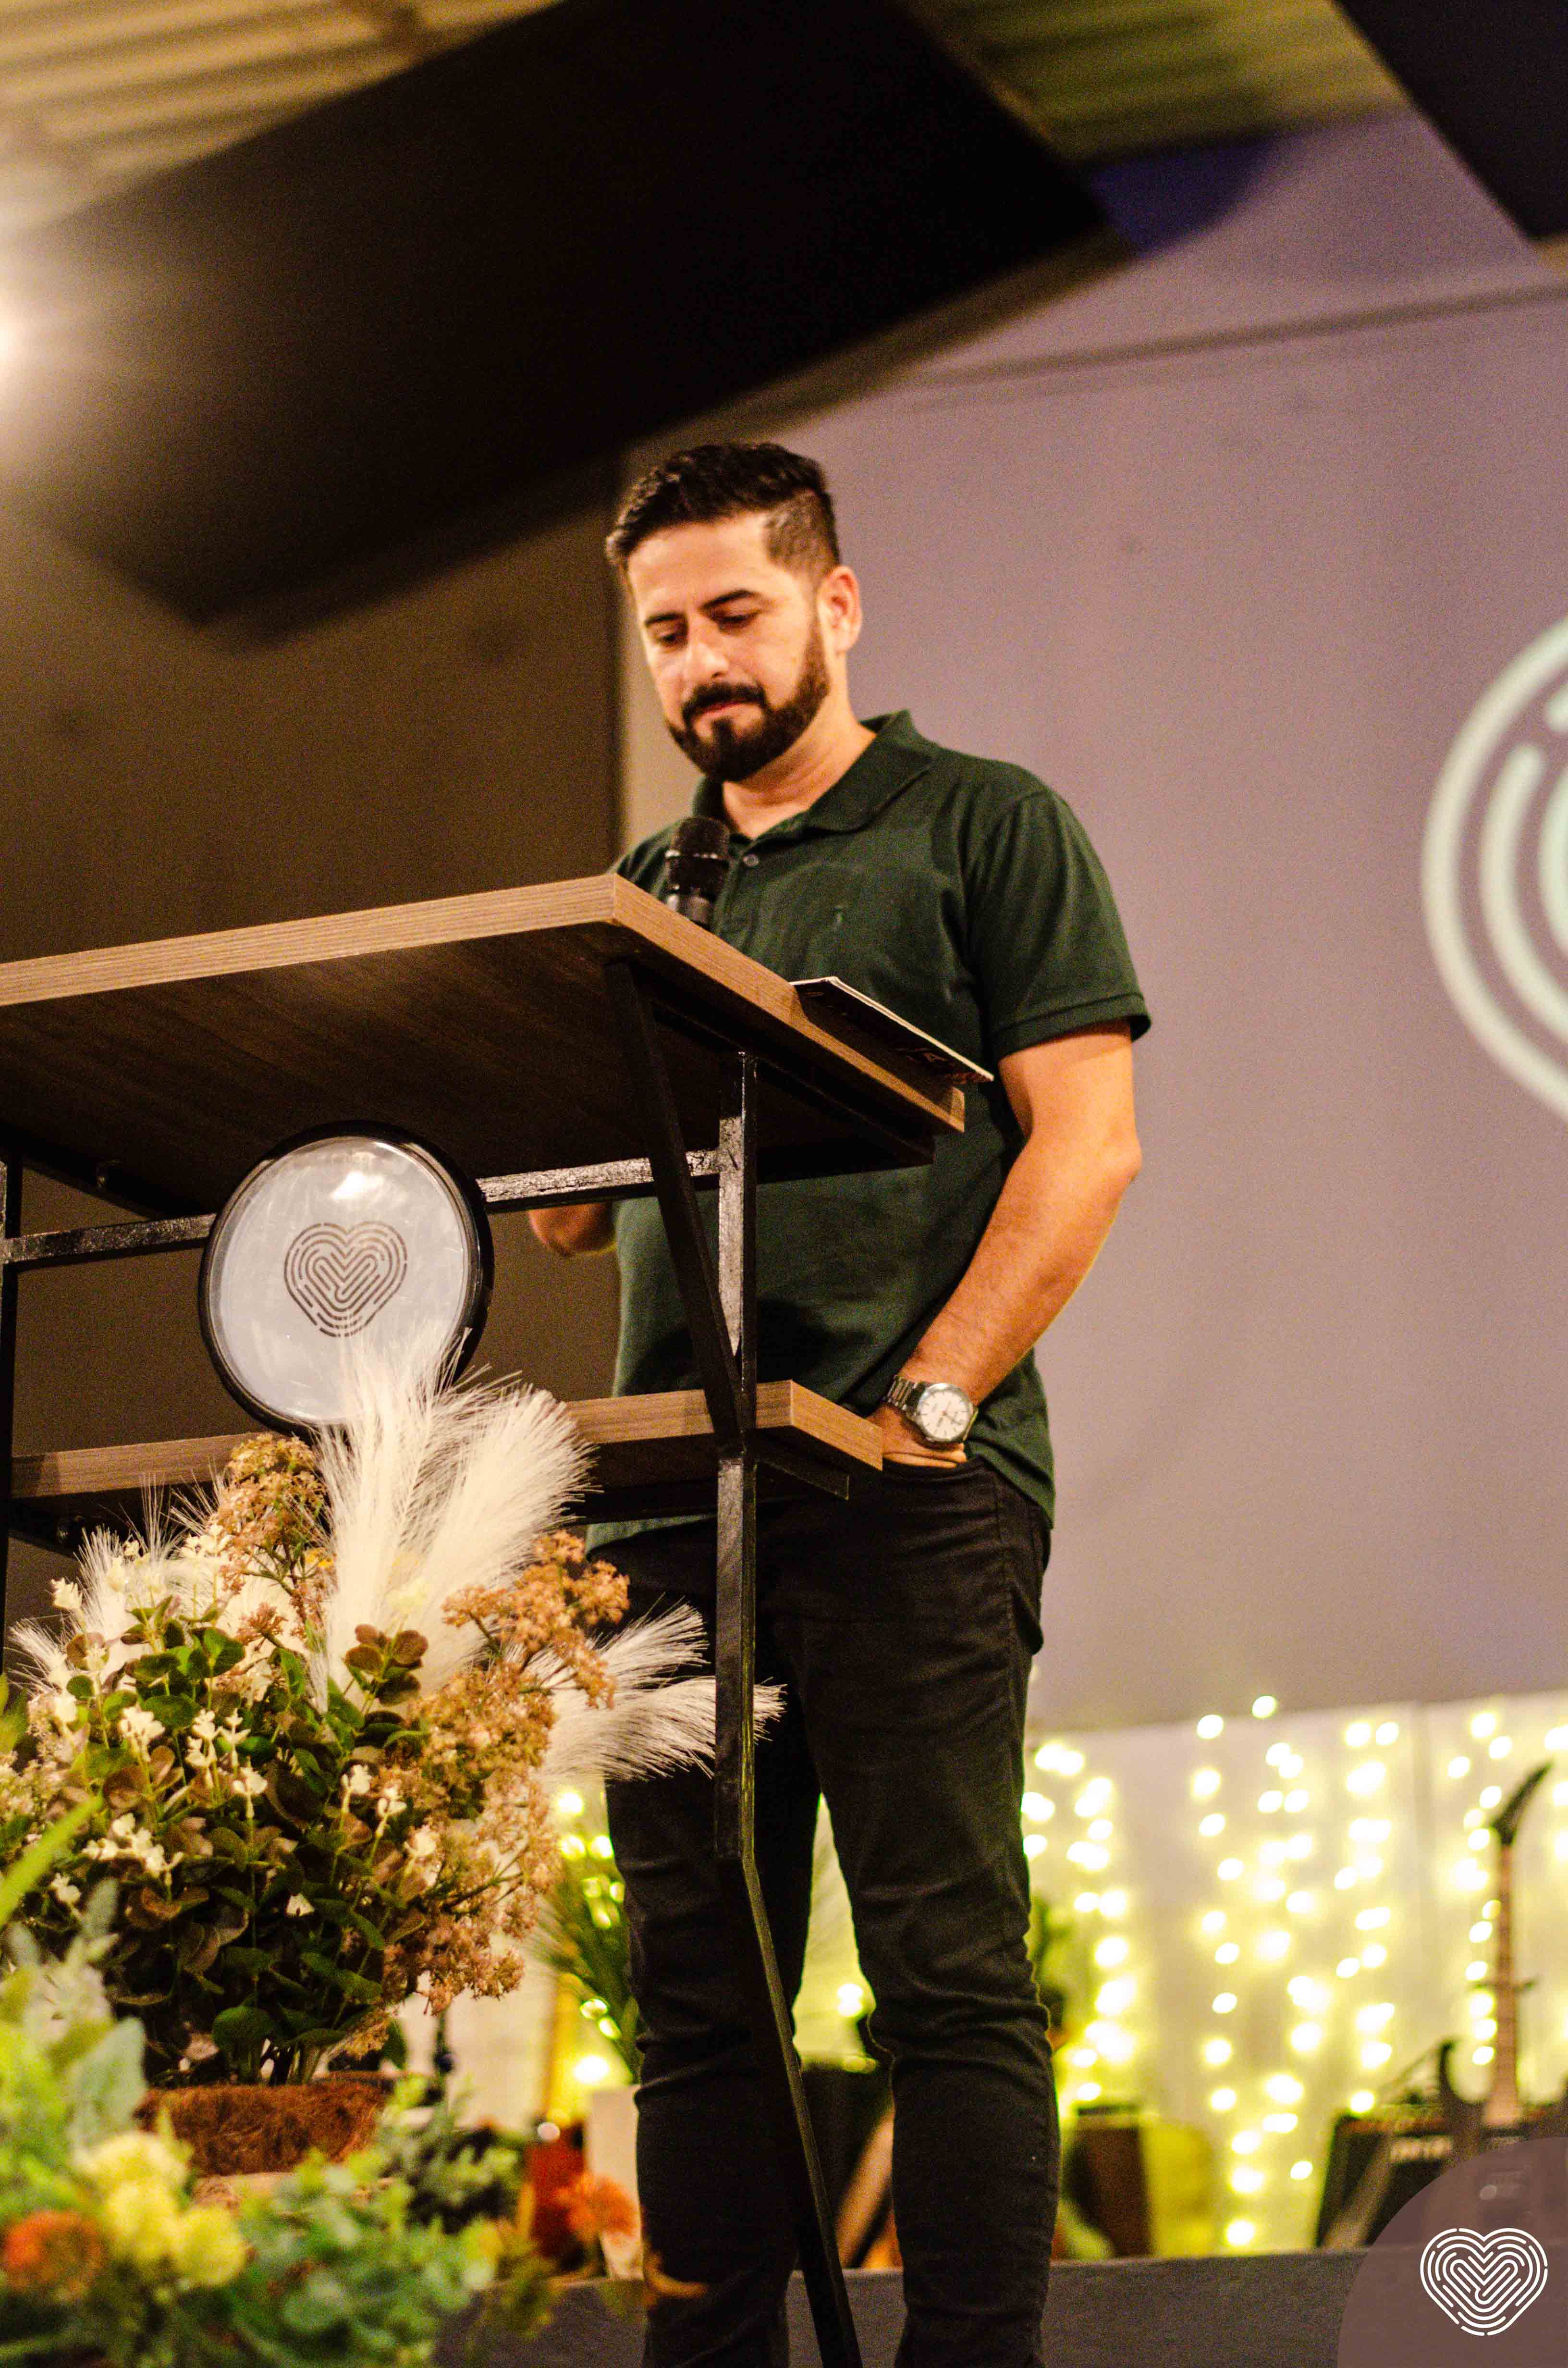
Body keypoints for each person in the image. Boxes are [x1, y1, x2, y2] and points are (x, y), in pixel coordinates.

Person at [530, 442, 1149, 2368]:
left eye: (736, 613)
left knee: (945, 1973)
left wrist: (936, 1398)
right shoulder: (651, 886)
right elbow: (563, 1212)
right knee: (696, 1994)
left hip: (905, 1487)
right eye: (665, 633)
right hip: (668, 1512)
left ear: (837, 603)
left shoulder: (983, 825)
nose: (702, 661)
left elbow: (1090, 1145)